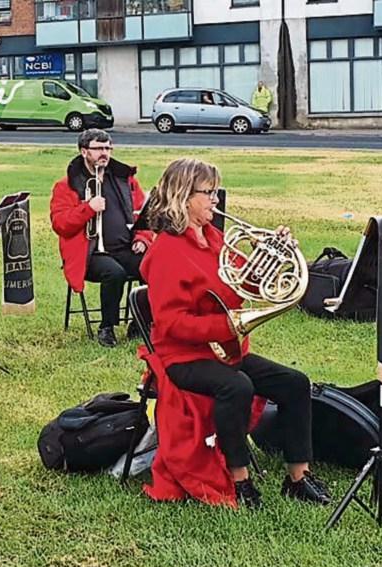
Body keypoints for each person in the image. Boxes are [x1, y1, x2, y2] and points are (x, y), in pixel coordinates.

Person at [139, 158, 331, 508]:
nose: (216, 199)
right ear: (183, 197)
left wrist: (272, 252)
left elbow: (240, 286)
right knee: (237, 385)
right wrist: (227, 326)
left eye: (215, 191)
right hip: (183, 357)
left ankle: (298, 476)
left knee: (295, 382)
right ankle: (240, 480)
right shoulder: (166, 252)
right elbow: (171, 324)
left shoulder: (212, 238)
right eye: (208, 193)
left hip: (225, 351)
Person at [50, 129, 153, 348]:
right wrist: (87, 208)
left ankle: (141, 322)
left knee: (153, 265)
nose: (105, 153)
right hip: (90, 253)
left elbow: (144, 214)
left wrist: (142, 238)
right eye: (99, 149)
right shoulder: (66, 185)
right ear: (84, 151)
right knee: (114, 273)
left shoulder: (125, 180)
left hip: (125, 247)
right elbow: (60, 224)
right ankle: (107, 327)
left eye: (108, 148)